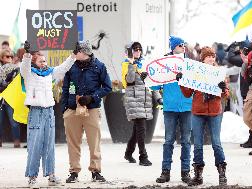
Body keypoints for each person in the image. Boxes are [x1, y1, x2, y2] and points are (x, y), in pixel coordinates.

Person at [20, 41, 76, 188]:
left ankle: (51, 175)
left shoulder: (49, 72)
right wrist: (26, 54)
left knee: (49, 145)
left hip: (49, 112)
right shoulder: (29, 73)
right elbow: (24, 67)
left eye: (45, 60)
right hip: (36, 112)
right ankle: (32, 176)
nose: (44, 63)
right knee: (34, 145)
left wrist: (73, 55)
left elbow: (64, 68)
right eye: (41, 61)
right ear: (34, 61)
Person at [141, 36, 193, 183]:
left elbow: (196, 83)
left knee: (186, 141)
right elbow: (155, 86)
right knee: (169, 140)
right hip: (170, 107)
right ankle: (165, 172)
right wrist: (146, 79)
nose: (183, 47)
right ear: (173, 48)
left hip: (187, 107)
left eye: (184, 44)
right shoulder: (164, 64)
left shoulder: (188, 64)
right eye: (180, 45)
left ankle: (185, 172)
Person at [62, 40, 112, 183]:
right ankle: (74, 172)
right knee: (73, 143)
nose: (73, 53)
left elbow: (107, 87)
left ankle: (96, 171)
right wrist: (65, 108)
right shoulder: (70, 66)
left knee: (94, 142)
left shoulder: (100, 66)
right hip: (72, 110)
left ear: (83, 52)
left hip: (92, 110)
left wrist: (92, 97)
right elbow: (65, 88)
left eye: (76, 51)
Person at [179, 46, 230, 186]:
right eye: (208, 56)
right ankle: (198, 174)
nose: (211, 58)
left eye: (213, 56)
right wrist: (181, 81)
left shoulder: (219, 73)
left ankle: (222, 173)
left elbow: (226, 94)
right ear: (203, 58)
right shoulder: (196, 72)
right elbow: (187, 93)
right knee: (198, 144)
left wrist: (223, 88)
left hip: (215, 112)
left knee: (216, 142)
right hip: (198, 111)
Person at [122, 42, 162, 166]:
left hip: (145, 100)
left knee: (137, 130)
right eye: (135, 49)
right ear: (130, 51)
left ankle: (128, 153)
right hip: (134, 100)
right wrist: (132, 64)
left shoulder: (145, 64)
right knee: (141, 129)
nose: (138, 52)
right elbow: (128, 80)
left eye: (139, 49)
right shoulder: (126, 64)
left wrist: (158, 98)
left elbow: (152, 83)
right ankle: (143, 156)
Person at [0, 49, 21, 148]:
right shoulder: (1, 69)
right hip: (1, 97)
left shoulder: (16, 68)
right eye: (7, 56)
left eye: (11, 57)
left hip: (11, 98)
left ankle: (16, 141)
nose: (10, 58)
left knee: (14, 121)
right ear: (2, 58)